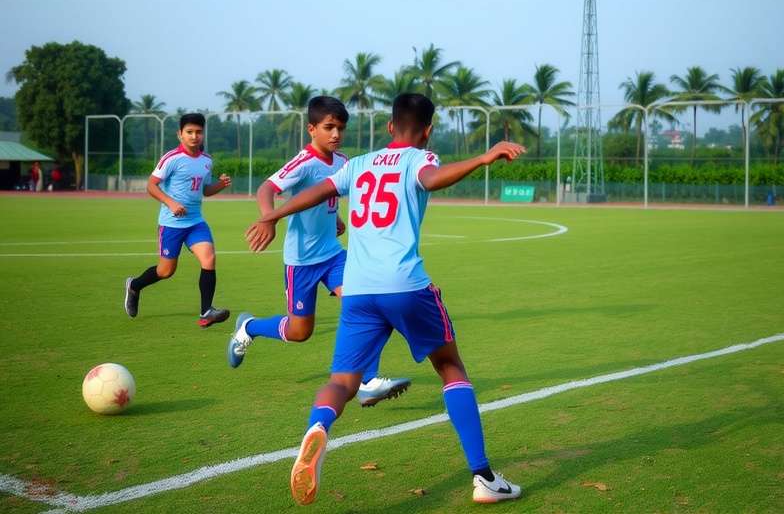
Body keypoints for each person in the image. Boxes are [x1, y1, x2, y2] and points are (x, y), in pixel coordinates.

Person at [246, 93, 525, 505]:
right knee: (449, 367)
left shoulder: (357, 164)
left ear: (390, 126)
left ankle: (318, 426)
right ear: (428, 131)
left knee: (341, 382)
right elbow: (432, 179)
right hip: (405, 284)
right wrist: (482, 160)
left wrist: (271, 215)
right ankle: (483, 478)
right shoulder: (421, 159)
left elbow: (319, 191)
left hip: (358, 289)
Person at [229, 95, 411, 407]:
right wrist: (268, 219)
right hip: (301, 262)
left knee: (364, 302)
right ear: (311, 128)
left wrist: (336, 217)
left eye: (340, 128)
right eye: (329, 127)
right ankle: (249, 327)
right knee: (300, 331)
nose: (336, 134)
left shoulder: (342, 162)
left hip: (334, 255)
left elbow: (327, 195)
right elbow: (266, 188)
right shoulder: (304, 162)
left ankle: (367, 380)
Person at [124, 112, 231, 328]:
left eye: (198, 132)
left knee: (209, 259)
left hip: (195, 222)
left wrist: (219, 185)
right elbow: (151, 185)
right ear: (179, 134)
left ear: (203, 134)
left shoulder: (207, 161)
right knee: (166, 271)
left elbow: (204, 191)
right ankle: (134, 286)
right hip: (171, 224)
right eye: (189, 132)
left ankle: (206, 311)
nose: (194, 136)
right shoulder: (171, 159)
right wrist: (171, 203)